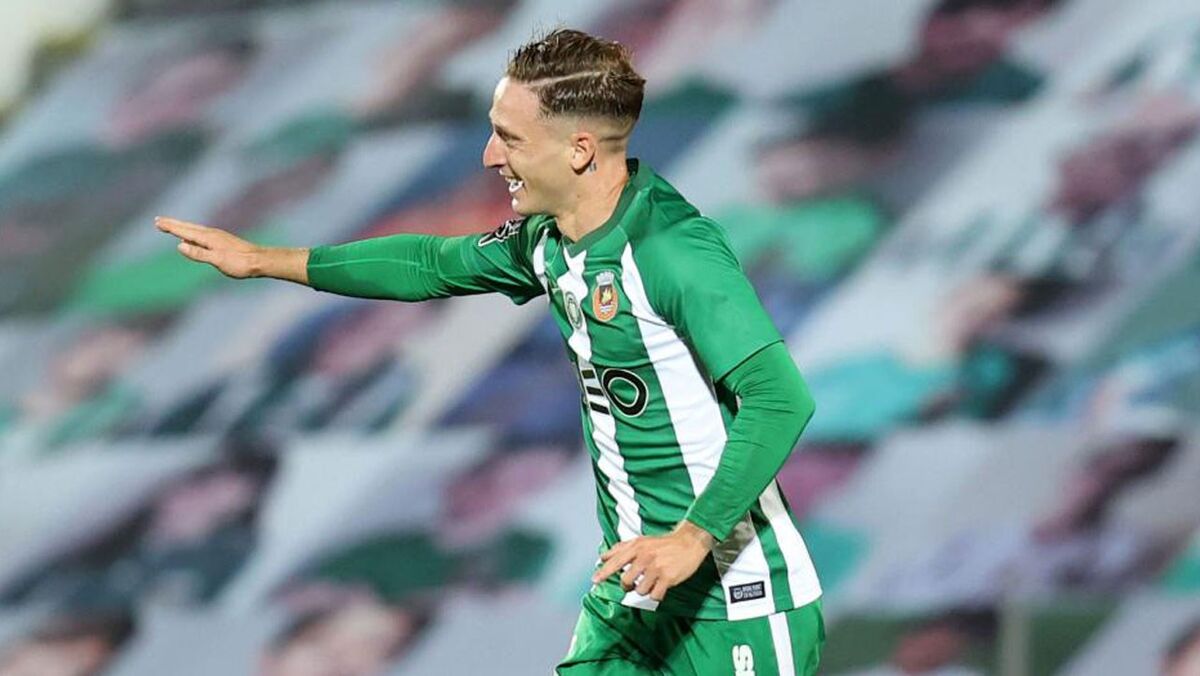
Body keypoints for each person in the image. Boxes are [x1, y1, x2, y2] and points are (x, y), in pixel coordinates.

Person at [156, 28, 823, 675]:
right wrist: (264, 260)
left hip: (735, 596)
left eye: (510, 137)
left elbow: (779, 399)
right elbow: (429, 263)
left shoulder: (671, 251)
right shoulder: (549, 240)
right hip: (635, 586)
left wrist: (693, 537)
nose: (488, 156)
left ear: (579, 150)